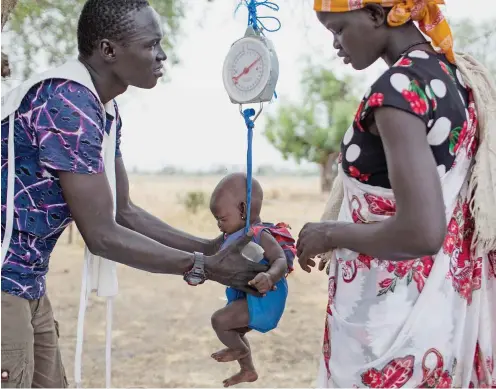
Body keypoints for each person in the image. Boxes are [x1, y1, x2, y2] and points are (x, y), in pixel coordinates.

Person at [0, 0, 268, 387]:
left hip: (25, 282)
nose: (162, 55)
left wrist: (212, 248)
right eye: (151, 44)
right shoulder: (68, 103)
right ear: (108, 50)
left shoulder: (102, 110)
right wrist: (203, 267)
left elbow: (124, 212)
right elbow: (102, 235)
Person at [296, 0, 496, 387]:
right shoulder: (452, 75)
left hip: (396, 330)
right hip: (440, 314)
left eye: (338, 29)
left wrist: (328, 234)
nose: (336, 44)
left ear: (375, 15)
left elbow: (421, 232)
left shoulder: (397, 91)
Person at [209, 173, 296, 387]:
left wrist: (269, 276)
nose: (219, 225)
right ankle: (247, 370)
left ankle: (240, 350)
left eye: (222, 219)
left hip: (266, 297)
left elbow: (280, 260)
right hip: (251, 297)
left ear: (243, 210)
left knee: (219, 320)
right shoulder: (232, 236)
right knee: (233, 330)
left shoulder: (259, 234)